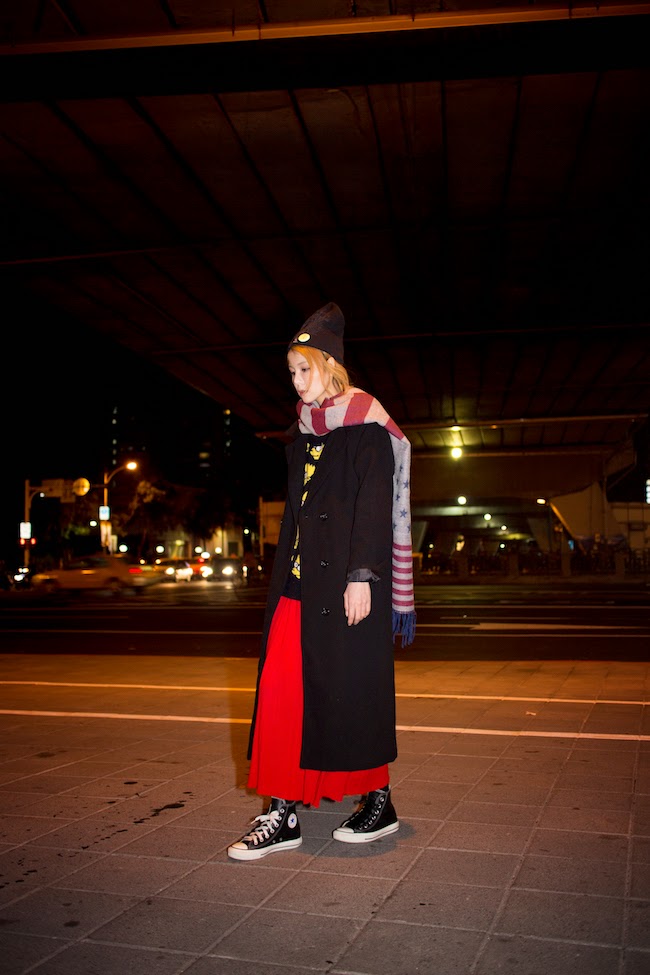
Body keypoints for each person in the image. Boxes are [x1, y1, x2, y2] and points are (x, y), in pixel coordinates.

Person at [228, 302, 416, 861]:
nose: (296, 381)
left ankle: (378, 800)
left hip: (348, 587)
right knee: (281, 692)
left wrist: (362, 576)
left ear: (330, 366)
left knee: (350, 694)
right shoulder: (302, 437)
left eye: (303, 369)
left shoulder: (368, 431)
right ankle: (283, 810)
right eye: (290, 371)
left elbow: (373, 509)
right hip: (297, 586)